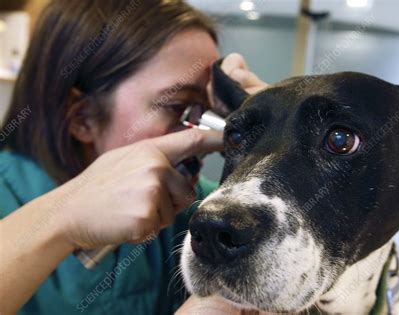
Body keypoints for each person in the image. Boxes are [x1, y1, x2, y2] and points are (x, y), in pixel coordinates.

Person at [0, 0, 267, 314]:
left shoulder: (194, 206)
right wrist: (61, 218)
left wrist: (274, 124)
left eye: (209, 109)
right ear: (82, 118)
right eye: (179, 107)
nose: (209, 137)